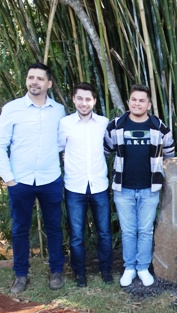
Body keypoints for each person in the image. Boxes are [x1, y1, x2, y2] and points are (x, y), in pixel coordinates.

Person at [0, 63, 66, 294]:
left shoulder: (59, 110)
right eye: (31, 77)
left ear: (49, 84)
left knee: (54, 227)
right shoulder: (12, 109)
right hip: (20, 180)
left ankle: (56, 271)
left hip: (51, 178)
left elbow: (62, 143)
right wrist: (9, 178)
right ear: (26, 81)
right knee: (20, 229)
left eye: (40, 79)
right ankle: (21, 275)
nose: (34, 82)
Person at [104, 84, 175, 287]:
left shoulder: (158, 126)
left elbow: (169, 152)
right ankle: (129, 267)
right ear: (129, 102)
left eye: (142, 100)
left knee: (145, 230)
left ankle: (142, 267)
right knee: (128, 231)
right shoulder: (116, 125)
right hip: (123, 188)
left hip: (149, 188)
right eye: (134, 99)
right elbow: (106, 150)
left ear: (149, 104)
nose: (137, 103)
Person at [58, 82, 113, 288]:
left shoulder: (104, 123)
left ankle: (106, 270)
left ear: (95, 101)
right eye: (79, 98)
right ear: (73, 99)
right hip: (74, 186)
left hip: (99, 184)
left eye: (88, 99)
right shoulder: (65, 123)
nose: (84, 103)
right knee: (77, 235)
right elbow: (59, 147)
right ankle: (80, 273)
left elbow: (108, 147)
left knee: (104, 232)